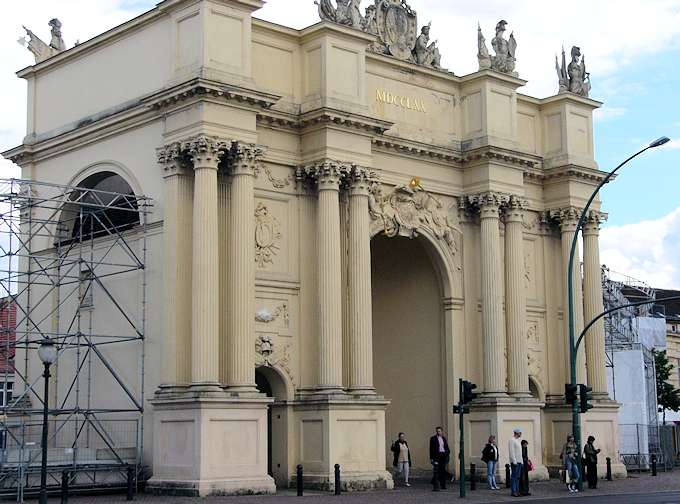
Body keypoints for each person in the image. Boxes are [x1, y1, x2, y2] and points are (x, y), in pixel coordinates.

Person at [429, 426, 450, 491]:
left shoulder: (443, 438)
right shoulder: (433, 438)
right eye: (437, 431)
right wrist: (431, 458)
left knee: (442, 470)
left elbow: (446, 447)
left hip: (443, 455)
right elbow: (431, 449)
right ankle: (436, 483)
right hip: (437, 456)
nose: (438, 432)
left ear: (442, 431)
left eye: (440, 431)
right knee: (438, 470)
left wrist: (447, 453)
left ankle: (443, 485)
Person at [508, 428, 523, 497]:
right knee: (514, 477)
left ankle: (517, 491)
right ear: (516, 433)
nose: (521, 434)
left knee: (518, 477)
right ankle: (513, 491)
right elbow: (512, 452)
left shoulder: (518, 440)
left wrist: (521, 462)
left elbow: (519, 452)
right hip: (515, 462)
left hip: (519, 461)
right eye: (520, 432)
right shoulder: (512, 440)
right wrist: (514, 461)